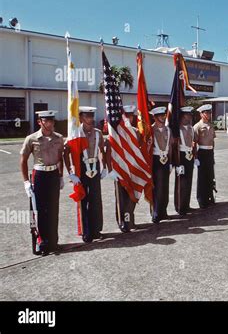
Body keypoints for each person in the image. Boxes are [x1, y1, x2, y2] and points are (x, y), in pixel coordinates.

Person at [20, 110, 64, 255]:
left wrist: (61, 176)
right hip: (39, 175)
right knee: (38, 211)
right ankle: (41, 243)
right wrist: (26, 181)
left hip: (53, 175)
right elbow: (23, 160)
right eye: (46, 121)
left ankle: (53, 242)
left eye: (52, 121)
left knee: (53, 209)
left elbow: (60, 158)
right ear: (40, 122)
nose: (50, 124)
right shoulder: (31, 138)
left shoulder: (58, 138)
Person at [64, 106, 106, 243]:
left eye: (91, 116)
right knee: (83, 200)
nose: (90, 119)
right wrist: (70, 173)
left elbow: (102, 150)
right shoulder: (75, 133)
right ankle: (86, 231)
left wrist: (104, 167)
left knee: (96, 200)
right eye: (87, 116)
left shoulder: (98, 133)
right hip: (81, 168)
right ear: (81, 117)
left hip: (95, 166)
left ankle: (96, 230)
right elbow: (65, 152)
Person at [107, 105, 139, 232]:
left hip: (132, 169)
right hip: (120, 170)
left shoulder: (136, 132)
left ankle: (130, 220)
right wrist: (110, 170)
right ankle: (122, 222)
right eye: (126, 115)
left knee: (132, 196)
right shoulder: (115, 133)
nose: (129, 118)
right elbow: (108, 152)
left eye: (131, 116)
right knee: (121, 197)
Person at [193, 104, 217, 208]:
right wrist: (195, 157)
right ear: (201, 114)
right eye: (206, 113)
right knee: (202, 177)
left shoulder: (211, 126)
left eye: (210, 113)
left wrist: (213, 153)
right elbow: (194, 143)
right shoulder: (197, 126)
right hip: (202, 152)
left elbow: (212, 141)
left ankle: (209, 197)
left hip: (210, 152)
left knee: (210, 175)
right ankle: (201, 200)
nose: (208, 115)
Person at [150, 106, 171, 223]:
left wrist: (172, 162)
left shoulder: (168, 130)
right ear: (155, 117)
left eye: (163, 115)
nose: (163, 118)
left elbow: (171, 148)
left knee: (165, 187)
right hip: (156, 159)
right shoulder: (151, 130)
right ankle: (156, 212)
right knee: (156, 187)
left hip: (166, 159)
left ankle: (164, 211)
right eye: (160, 116)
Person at [174, 106, 195, 215]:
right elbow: (174, 147)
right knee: (181, 183)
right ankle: (179, 206)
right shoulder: (178, 129)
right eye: (187, 115)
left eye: (190, 115)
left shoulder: (191, 128)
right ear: (182, 116)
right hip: (181, 156)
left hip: (190, 156)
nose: (189, 117)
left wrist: (194, 157)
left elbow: (193, 144)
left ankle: (186, 205)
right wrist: (176, 162)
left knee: (188, 181)